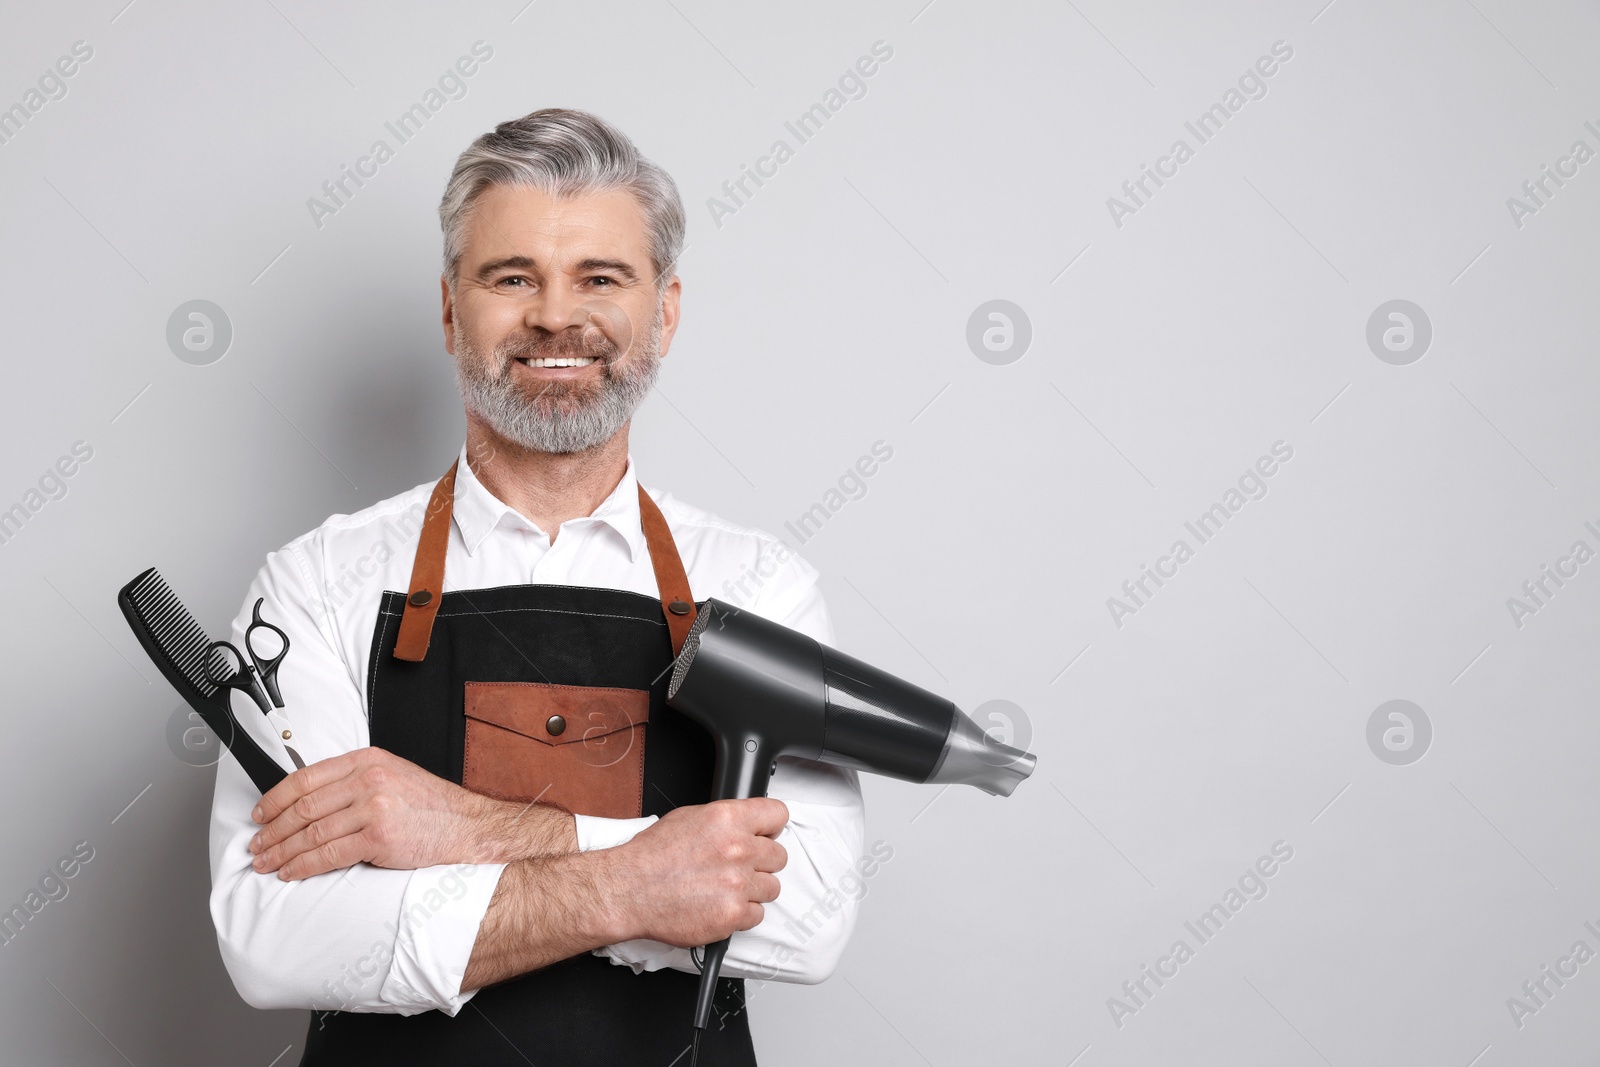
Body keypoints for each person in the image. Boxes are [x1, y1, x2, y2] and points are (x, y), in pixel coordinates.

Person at [207, 108, 866, 1066]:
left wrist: (455, 827)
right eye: (512, 277)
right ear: (448, 309)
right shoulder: (317, 582)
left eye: (601, 278)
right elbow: (275, 939)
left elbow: (806, 920)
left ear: (666, 310)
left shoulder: (761, 586)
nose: (557, 315)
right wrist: (643, 883)